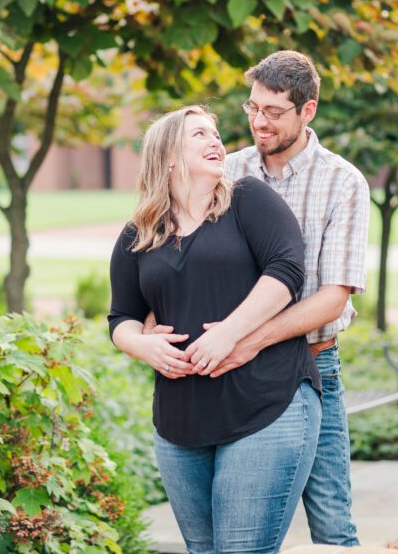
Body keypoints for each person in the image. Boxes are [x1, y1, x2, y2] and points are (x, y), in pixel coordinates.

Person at [107, 105, 322, 554]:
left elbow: (287, 270)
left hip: (265, 404)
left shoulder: (248, 199)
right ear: (167, 156)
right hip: (179, 422)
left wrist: (230, 333)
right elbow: (121, 316)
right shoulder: (138, 234)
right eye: (199, 134)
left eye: (216, 133)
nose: (216, 141)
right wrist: (142, 346)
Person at [218, 50, 370, 545]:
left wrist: (250, 339)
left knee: (332, 523)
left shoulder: (342, 182)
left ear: (307, 111)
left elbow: (331, 300)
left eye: (274, 112)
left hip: (313, 366)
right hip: (235, 371)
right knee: (243, 522)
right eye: (252, 108)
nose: (259, 122)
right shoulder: (227, 172)